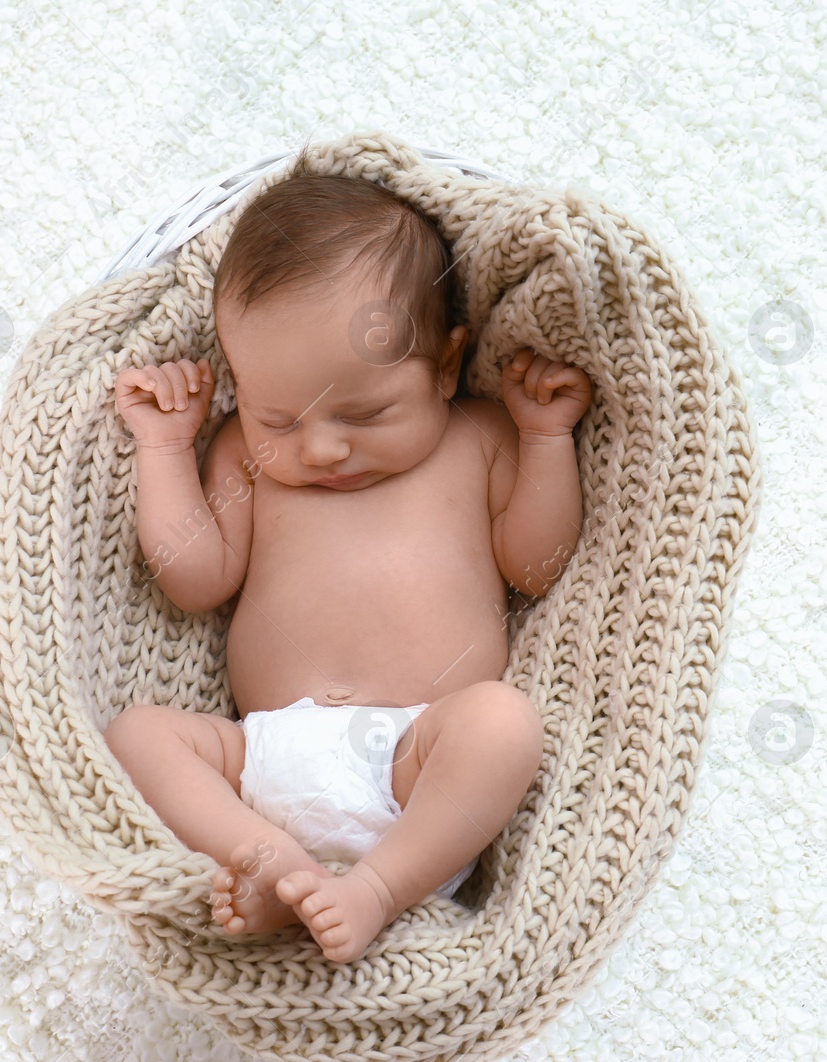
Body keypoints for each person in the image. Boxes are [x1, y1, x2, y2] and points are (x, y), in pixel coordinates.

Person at [102, 168, 593, 963]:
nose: (323, 447)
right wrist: (165, 448)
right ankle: (268, 862)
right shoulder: (240, 455)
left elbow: (537, 566)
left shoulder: (479, 438)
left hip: (416, 763)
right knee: (138, 735)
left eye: (365, 413)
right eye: (280, 417)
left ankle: (374, 889)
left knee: (503, 722)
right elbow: (194, 578)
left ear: (442, 367)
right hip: (261, 754)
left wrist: (544, 441)